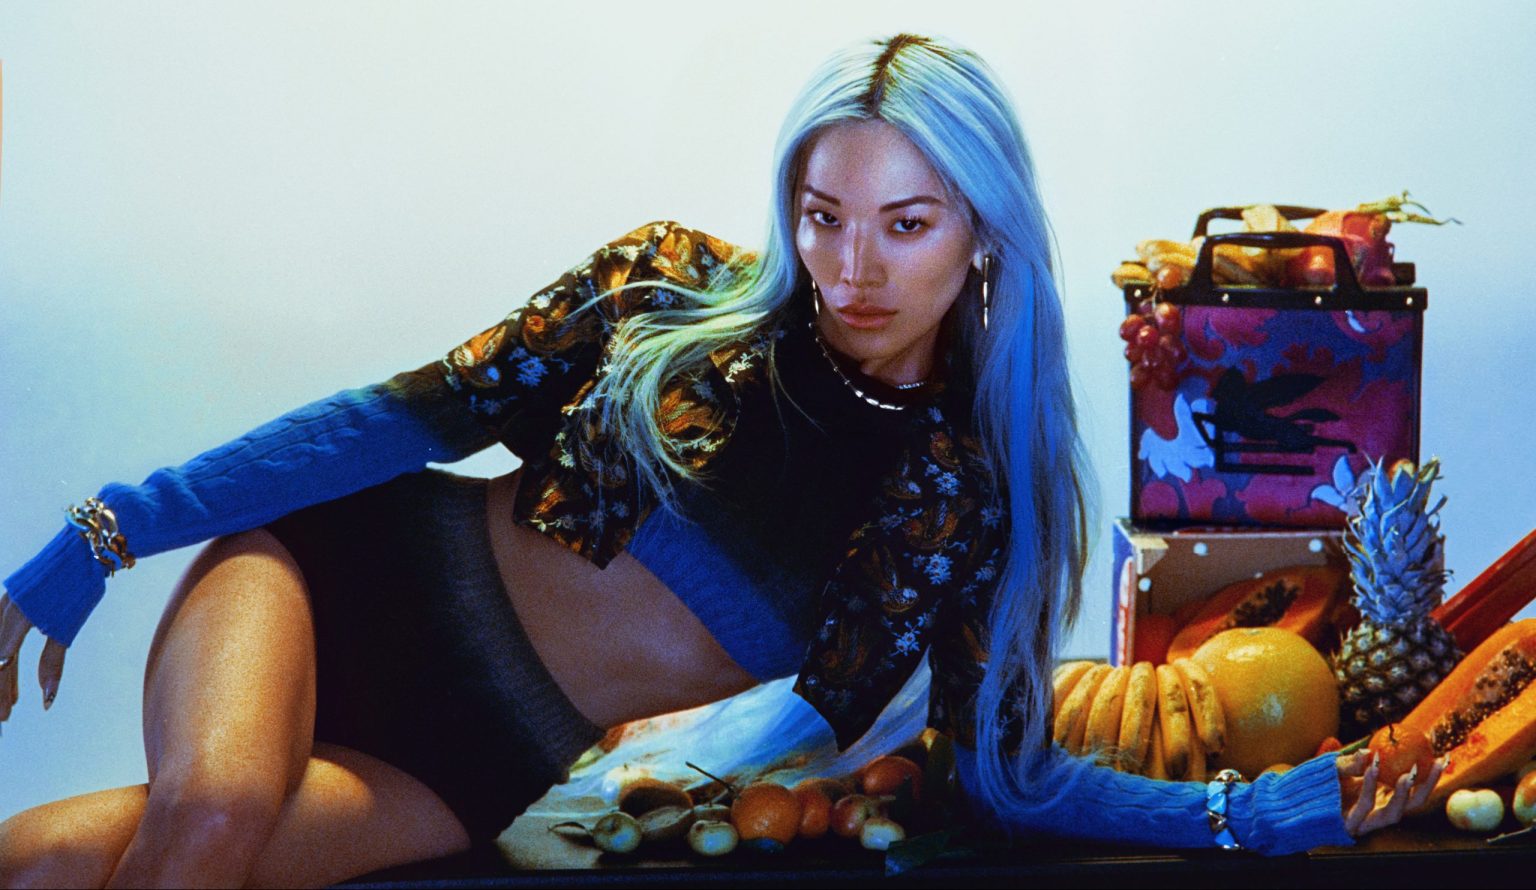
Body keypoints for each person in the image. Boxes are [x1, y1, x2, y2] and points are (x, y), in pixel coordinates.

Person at [0, 32, 1436, 887]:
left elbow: (1009, 775)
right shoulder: (666, 291)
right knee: (212, 815)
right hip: (340, 578)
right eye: (823, 215)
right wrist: (109, 531)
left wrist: (1240, 813)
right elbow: (398, 418)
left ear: (985, 233)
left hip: (478, 756)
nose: (852, 267)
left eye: (906, 225)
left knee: (79, 859)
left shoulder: (966, 495)